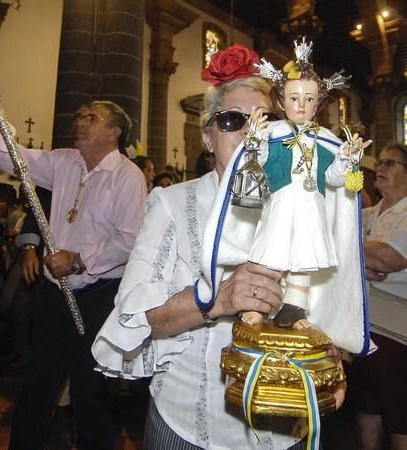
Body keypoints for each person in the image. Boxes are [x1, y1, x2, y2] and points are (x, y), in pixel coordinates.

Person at [93, 43, 348, 450]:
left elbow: (329, 303)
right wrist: (216, 298)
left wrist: (329, 363)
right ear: (208, 138)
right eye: (233, 120)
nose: (251, 131)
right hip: (188, 424)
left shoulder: (307, 201)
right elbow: (138, 317)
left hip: (284, 420)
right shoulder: (172, 204)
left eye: (264, 120)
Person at [0, 74, 148, 450]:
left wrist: (79, 260)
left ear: (114, 132)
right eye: (80, 115)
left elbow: (130, 239)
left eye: (92, 117)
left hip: (99, 296)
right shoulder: (63, 161)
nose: (80, 121)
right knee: (38, 382)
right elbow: (10, 156)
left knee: (90, 391)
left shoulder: (127, 176)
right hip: (55, 296)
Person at [235, 37, 371, 329]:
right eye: (294, 98)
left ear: (318, 103)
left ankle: (294, 309)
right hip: (280, 207)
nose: (301, 105)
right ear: (281, 101)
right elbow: (258, 160)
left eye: (309, 99)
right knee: (271, 257)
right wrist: (256, 139)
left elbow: (334, 180)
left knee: (302, 262)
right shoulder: (272, 132)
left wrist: (345, 158)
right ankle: (257, 304)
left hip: (311, 209)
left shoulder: (325, 139)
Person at [347, 142, 407, 450]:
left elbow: (387, 258)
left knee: (400, 423)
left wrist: (351, 249)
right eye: (380, 162)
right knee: (366, 413)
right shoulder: (368, 213)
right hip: (361, 328)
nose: (379, 168)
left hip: (397, 332)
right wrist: (361, 259)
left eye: (390, 163)